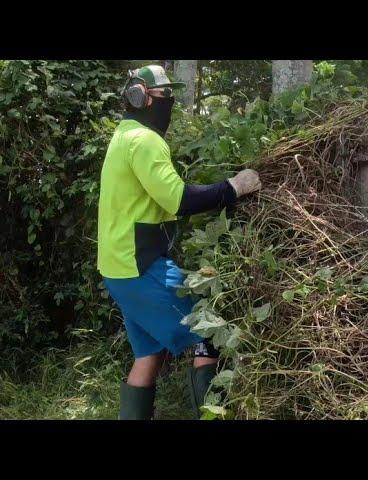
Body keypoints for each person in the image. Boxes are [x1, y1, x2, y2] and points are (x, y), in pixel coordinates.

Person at [97, 65, 261, 420]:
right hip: (139, 265)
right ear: (139, 97)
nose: (169, 102)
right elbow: (178, 200)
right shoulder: (145, 140)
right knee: (209, 330)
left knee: (149, 353)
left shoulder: (123, 135)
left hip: (118, 268)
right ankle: (215, 416)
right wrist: (232, 188)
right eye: (164, 95)